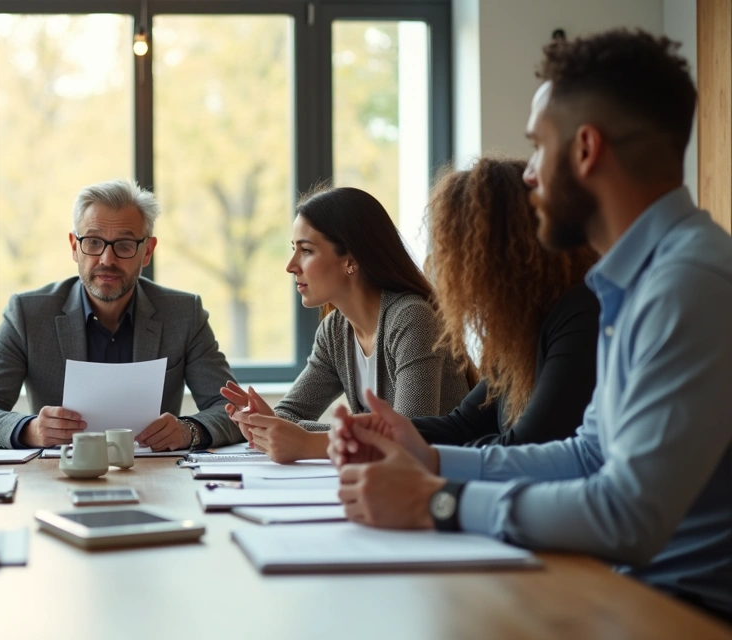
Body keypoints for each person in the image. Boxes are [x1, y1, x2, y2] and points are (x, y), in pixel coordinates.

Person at [329, 30, 732, 622]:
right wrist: (431, 458)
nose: (529, 175)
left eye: (538, 147)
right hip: (626, 594)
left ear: (586, 149)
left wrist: (440, 503)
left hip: (682, 613)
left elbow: (630, 517)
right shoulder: (637, 282)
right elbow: (588, 455)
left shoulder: (688, 284)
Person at [0, 179, 241, 451]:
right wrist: (31, 430)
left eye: (123, 245)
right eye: (94, 242)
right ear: (74, 246)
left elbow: (233, 411)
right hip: (59, 478)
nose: (107, 260)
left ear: (147, 251)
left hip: (156, 478)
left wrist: (188, 431)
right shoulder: (28, 314)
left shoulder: (184, 314)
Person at [222, 186, 471, 463]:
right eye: (294, 249)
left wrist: (306, 439)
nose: (291, 265)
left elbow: (406, 438)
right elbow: (288, 417)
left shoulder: (412, 318)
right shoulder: (335, 331)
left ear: (351, 260)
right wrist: (268, 424)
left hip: (446, 487)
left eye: (306, 250)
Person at [412, 157, 599, 447]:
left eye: (458, 252)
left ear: (501, 252)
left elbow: (530, 444)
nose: (451, 271)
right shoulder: (520, 326)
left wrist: (429, 458)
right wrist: (380, 430)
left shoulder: (581, 314)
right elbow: (464, 425)